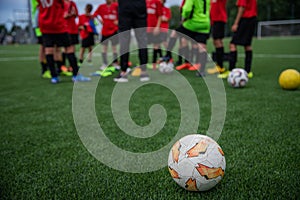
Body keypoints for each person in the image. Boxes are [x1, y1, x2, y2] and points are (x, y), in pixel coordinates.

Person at [37, 0, 90, 83]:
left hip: (45, 25)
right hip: (58, 25)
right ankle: (76, 75)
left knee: (49, 50)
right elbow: (66, 4)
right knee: (69, 48)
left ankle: (54, 77)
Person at [163, 0, 210, 77]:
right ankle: (201, 71)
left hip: (193, 23)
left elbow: (187, 9)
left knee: (175, 33)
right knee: (202, 47)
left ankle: (168, 55)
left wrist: (184, 18)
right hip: (205, 23)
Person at [218, 0, 257, 79]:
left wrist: (236, 23)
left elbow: (242, 8)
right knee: (247, 45)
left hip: (245, 19)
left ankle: (231, 70)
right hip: (252, 19)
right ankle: (248, 71)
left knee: (232, 44)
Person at [114, 0, 150, 82]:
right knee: (142, 40)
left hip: (125, 6)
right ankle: (144, 72)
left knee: (124, 40)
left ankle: (123, 72)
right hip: (139, 6)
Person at [94, 0, 120, 70]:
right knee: (104, 48)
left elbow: (122, 13)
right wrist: (100, 20)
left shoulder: (116, 6)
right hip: (105, 31)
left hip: (114, 30)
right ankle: (105, 63)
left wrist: (118, 21)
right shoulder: (101, 6)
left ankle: (115, 63)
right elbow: (95, 14)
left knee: (114, 48)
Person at [31, 0, 50, 79]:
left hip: (45, 23)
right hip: (40, 24)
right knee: (44, 47)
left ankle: (49, 68)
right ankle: (45, 70)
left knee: (49, 47)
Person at [207, 0, 227, 75]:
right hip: (215, 20)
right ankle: (219, 66)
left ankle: (220, 66)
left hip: (219, 19)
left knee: (217, 41)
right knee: (217, 41)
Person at [61, 0, 79, 74]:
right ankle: (62, 66)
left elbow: (76, 14)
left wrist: (73, 14)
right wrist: (65, 16)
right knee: (65, 48)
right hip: (65, 29)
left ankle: (72, 66)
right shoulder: (60, 3)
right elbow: (59, 15)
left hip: (73, 29)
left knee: (72, 48)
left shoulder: (72, 3)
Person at [145, 0, 162, 70]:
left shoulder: (157, 2)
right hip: (145, 28)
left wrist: (157, 27)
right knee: (143, 46)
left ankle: (154, 63)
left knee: (156, 46)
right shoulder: (143, 2)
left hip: (154, 28)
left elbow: (160, 16)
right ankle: (143, 64)